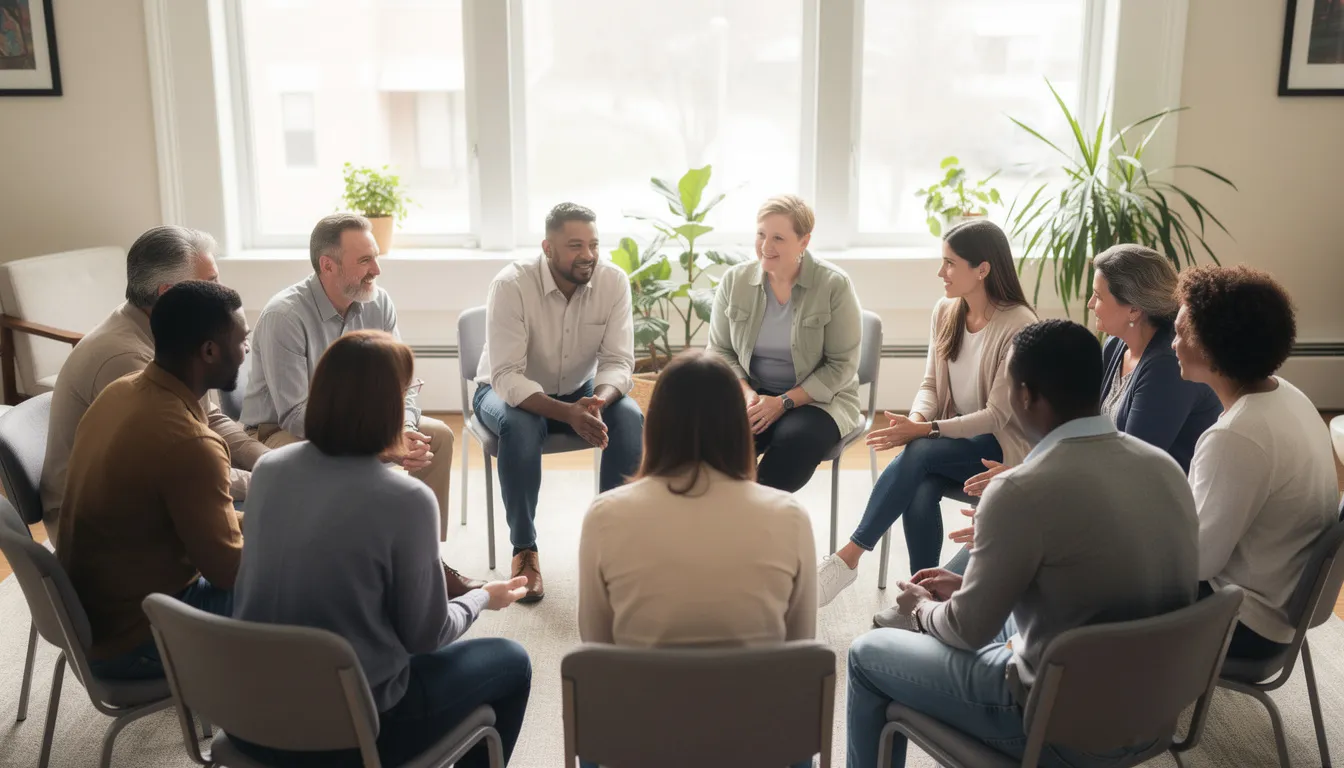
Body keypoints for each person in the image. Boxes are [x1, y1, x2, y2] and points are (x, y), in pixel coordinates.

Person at [846, 319, 1199, 768]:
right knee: (992, 620)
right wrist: (972, 588)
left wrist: (920, 608)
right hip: (1150, 712)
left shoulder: (1017, 490)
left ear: (1026, 396)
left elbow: (965, 630)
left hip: (1052, 721)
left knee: (866, 654)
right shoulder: (1165, 468)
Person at [230, 330, 532, 768]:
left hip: (250, 717)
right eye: (409, 391)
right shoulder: (405, 501)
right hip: (354, 729)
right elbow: (425, 636)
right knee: (511, 661)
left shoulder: (271, 469)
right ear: (390, 406)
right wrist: (483, 597)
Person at [239, 214, 473, 588]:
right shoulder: (285, 315)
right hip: (279, 432)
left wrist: (405, 429)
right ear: (327, 266)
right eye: (364, 261)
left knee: (437, 437)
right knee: (357, 456)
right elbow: (298, 414)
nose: (376, 270)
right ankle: (351, 564)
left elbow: (405, 383)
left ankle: (425, 563)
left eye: (375, 257)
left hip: (362, 421)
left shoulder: (378, 303)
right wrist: (381, 445)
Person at [817, 219, 1036, 607]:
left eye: (950, 263)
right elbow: (930, 386)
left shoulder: (1018, 325)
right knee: (919, 489)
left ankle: (848, 557)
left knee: (918, 453)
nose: (941, 272)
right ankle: (925, 597)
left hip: (996, 450)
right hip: (951, 444)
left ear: (982, 269)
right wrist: (917, 420)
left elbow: (996, 417)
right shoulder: (946, 310)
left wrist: (923, 432)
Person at [57, 281, 249, 680]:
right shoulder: (190, 442)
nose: (245, 351)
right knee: (310, 585)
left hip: (94, 621)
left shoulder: (120, 392)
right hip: (136, 639)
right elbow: (229, 572)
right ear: (209, 351)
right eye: (241, 340)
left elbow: (196, 519)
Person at [578, 348, 817, 646]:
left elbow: (596, 645)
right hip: (754, 691)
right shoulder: (789, 516)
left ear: (655, 422)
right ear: (738, 425)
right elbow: (801, 643)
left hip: (643, 691)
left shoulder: (605, 515)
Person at [41, 226, 266, 534]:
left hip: (150, 487)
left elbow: (208, 416)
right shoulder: (126, 360)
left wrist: (265, 458)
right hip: (95, 523)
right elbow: (183, 468)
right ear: (169, 293)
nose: (223, 293)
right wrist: (265, 480)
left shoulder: (171, 334)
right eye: (211, 283)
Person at [473, 202, 643, 603]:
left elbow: (618, 361)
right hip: (504, 392)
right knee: (522, 426)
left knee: (630, 417)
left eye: (594, 244)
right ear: (548, 248)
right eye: (575, 245)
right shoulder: (512, 284)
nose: (588, 255)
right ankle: (524, 550)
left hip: (580, 393)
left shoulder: (612, 282)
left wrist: (596, 402)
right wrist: (567, 412)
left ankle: (610, 546)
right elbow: (507, 375)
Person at [1174, 265, 1338, 661]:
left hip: (1246, 622)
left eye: (1180, 333)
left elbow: (1197, 562)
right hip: (1283, 602)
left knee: (1104, 572)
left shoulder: (1237, 436)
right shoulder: (1289, 395)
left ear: (1212, 347)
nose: (1172, 344)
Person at [707, 195, 862, 492]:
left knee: (795, 441)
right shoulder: (734, 281)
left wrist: (783, 402)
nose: (766, 246)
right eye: (761, 234)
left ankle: (757, 523)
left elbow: (842, 366)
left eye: (778, 237)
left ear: (803, 242)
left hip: (819, 401)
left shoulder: (834, 285)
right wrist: (747, 393)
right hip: (755, 394)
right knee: (717, 440)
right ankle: (727, 521)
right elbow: (719, 351)